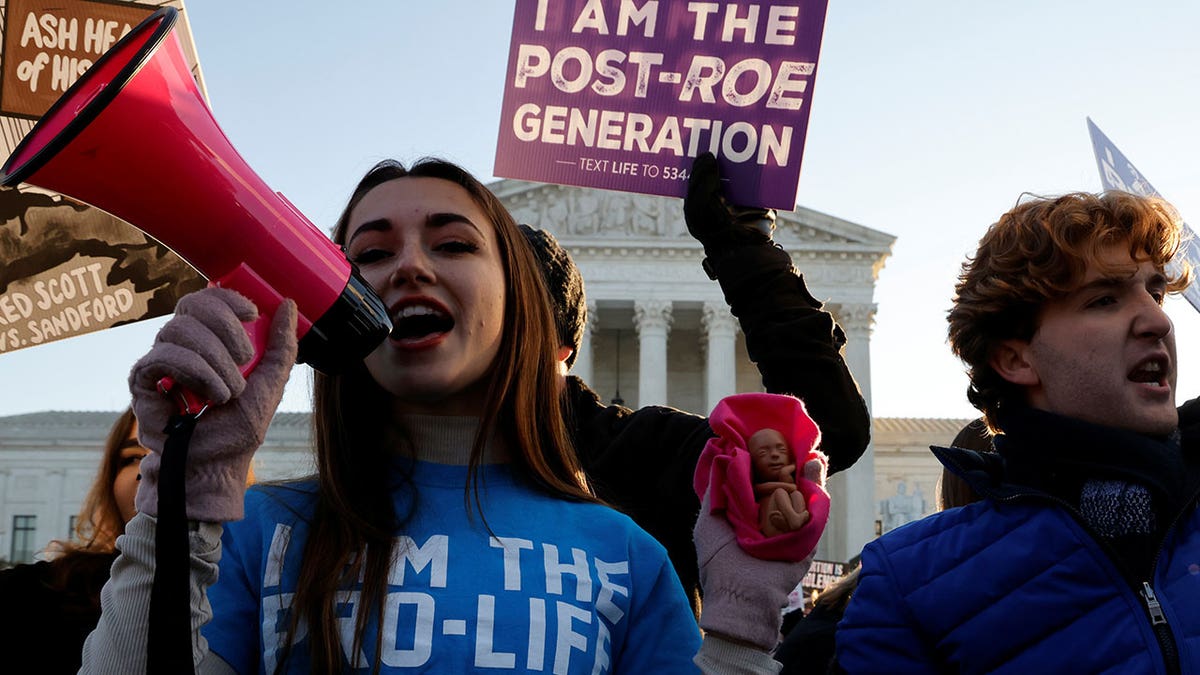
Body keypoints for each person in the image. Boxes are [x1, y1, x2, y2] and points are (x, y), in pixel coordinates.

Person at [80, 158, 811, 673]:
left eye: (454, 242)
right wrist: (181, 495)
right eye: (370, 253)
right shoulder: (259, 533)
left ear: (519, 304)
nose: (410, 267)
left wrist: (741, 635)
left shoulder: (625, 552)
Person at [835, 191, 1200, 672]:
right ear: (1015, 358)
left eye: (1155, 292)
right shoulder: (907, 585)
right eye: (1105, 299)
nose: (1158, 320)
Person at [520, 151, 871, 611]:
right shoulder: (393, 454)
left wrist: (743, 246)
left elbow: (825, 426)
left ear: (557, 341)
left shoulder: (637, 456)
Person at [0, 407, 148, 674]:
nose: (149, 470)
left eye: (172, 451)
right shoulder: (50, 593)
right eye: (133, 457)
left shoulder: (243, 592)